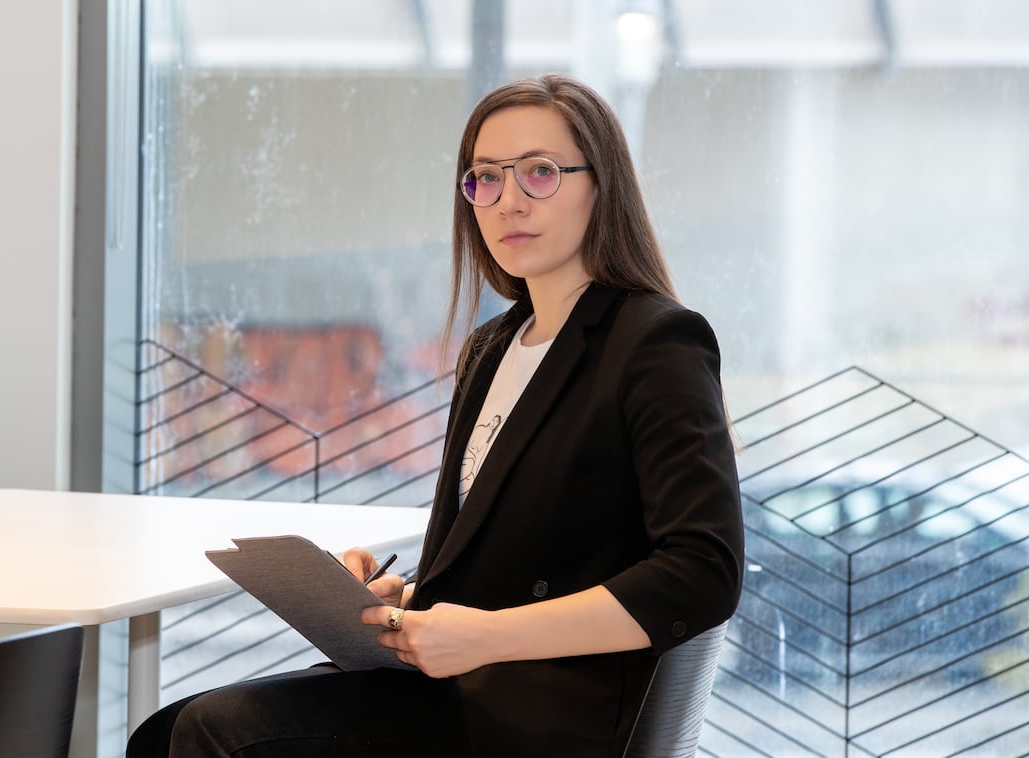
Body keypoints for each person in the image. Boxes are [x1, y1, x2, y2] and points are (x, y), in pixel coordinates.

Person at [127, 73, 745, 758]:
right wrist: (400, 597)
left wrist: (483, 636)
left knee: (219, 731)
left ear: (601, 183)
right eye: (485, 179)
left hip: (544, 714)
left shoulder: (655, 341)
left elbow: (702, 573)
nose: (508, 201)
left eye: (539, 173)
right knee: (165, 732)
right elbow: (505, 558)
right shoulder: (492, 348)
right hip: (455, 692)